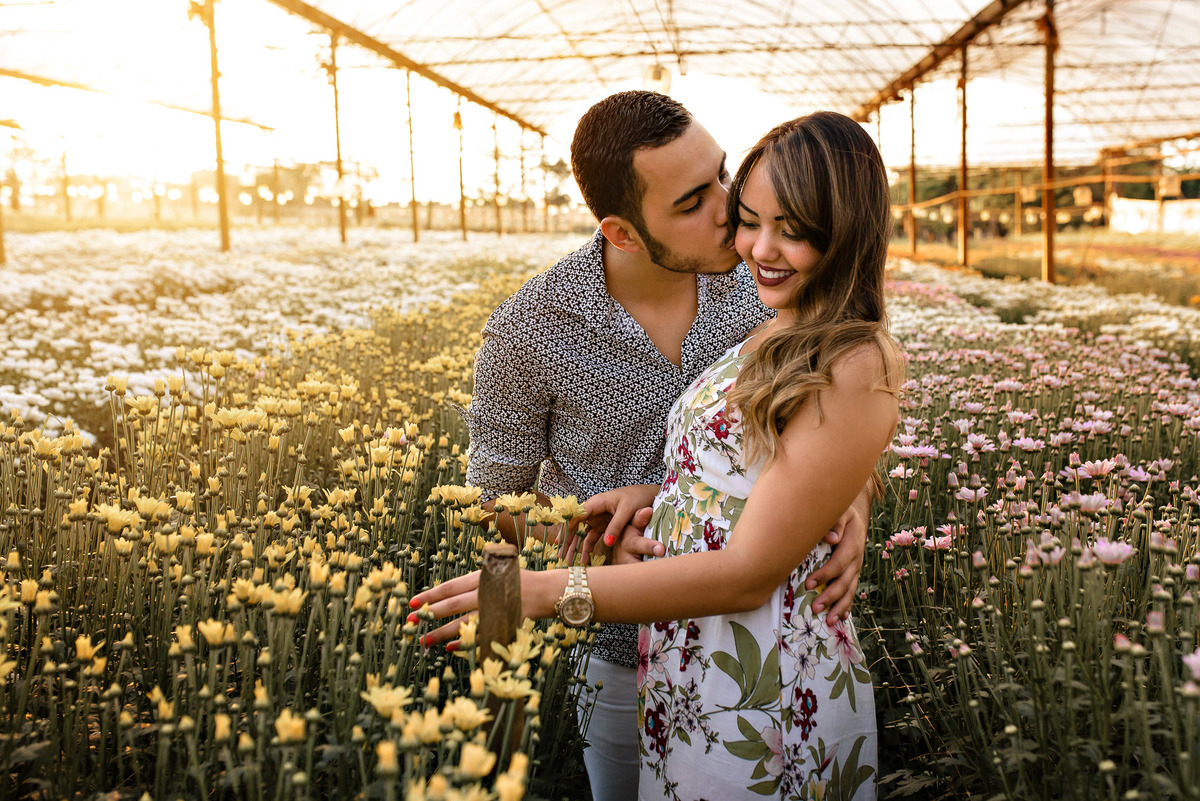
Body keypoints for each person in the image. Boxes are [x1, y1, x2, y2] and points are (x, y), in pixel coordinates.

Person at [418, 110, 903, 800]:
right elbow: (493, 499)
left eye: (722, 177)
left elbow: (836, 402)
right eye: (692, 202)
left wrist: (846, 501)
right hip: (622, 648)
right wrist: (591, 539)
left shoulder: (765, 282)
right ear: (622, 231)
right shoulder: (529, 330)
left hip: (760, 649)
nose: (729, 213)